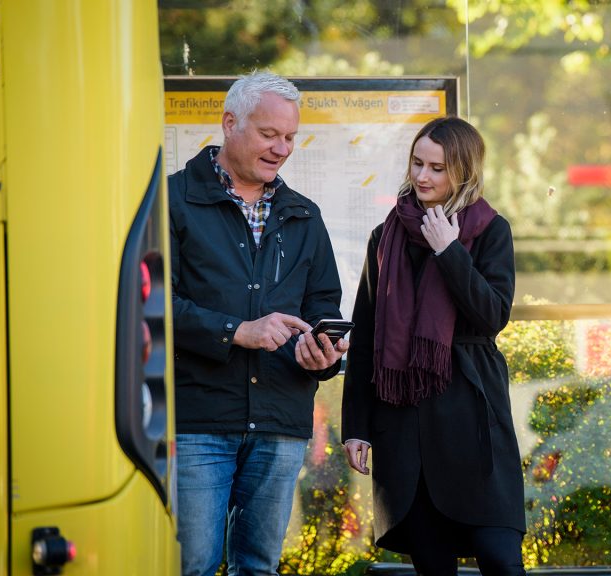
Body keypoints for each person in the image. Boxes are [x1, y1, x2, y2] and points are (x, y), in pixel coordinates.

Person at [169, 71, 349, 576]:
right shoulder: (173, 201)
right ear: (230, 123)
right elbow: (154, 304)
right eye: (270, 134)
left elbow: (323, 309)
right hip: (198, 422)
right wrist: (236, 332)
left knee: (259, 568)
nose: (282, 148)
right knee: (195, 567)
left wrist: (322, 354)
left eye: (290, 137)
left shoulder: (305, 216)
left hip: (279, 422)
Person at [341, 117, 526, 575]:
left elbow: (492, 315)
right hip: (404, 426)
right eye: (418, 163)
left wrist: (450, 252)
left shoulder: (489, 230)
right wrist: (356, 426)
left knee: (501, 560)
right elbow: (366, 335)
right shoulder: (386, 238)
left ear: (462, 171)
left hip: (471, 420)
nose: (422, 176)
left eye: (437, 168)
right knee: (431, 565)